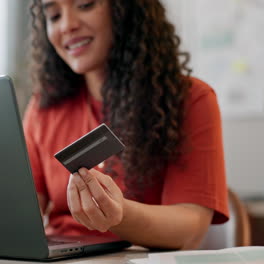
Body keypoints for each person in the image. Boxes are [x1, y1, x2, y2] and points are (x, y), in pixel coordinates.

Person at [23, 0, 229, 250]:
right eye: (54, 16)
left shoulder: (190, 99)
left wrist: (118, 213)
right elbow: (22, 214)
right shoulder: (43, 108)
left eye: (85, 5)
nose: (67, 25)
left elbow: (190, 229)